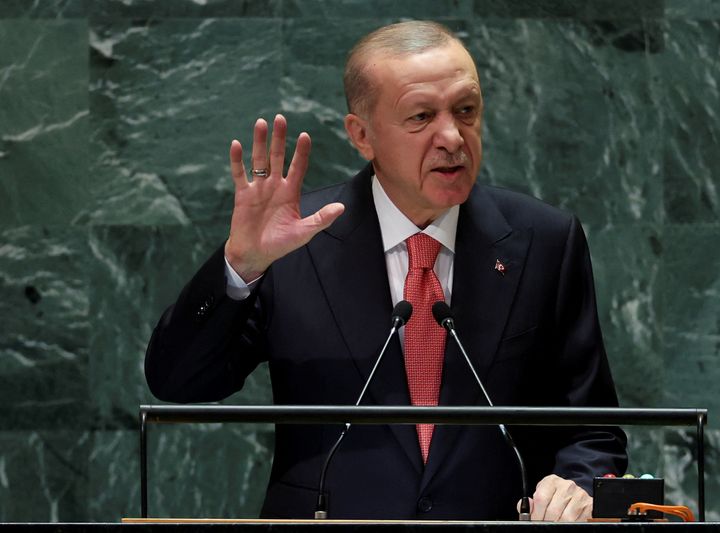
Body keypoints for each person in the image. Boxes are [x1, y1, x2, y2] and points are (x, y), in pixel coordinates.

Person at [145, 20, 627, 521]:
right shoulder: (295, 243)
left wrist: (576, 484)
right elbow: (178, 385)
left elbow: (591, 426)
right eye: (420, 117)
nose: (452, 138)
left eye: (466, 111)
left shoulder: (544, 241)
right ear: (362, 134)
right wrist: (241, 266)